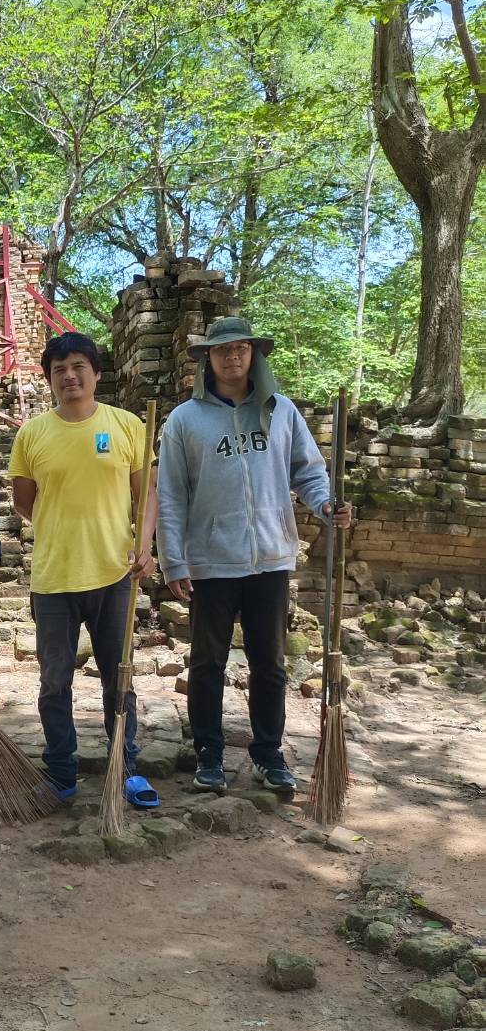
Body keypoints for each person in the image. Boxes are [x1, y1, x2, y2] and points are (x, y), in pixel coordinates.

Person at [154, 316, 353, 793]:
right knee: (207, 663)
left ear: (253, 355)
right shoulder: (185, 420)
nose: (231, 357)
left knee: (270, 664)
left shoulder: (281, 412)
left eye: (240, 348)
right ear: (208, 359)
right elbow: (171, 495)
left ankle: (268, 753)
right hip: (211, 560)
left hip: (270, 557)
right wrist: (174, 561)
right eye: (221, 350)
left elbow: (308, 472)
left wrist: (326, 505)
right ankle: (209, 754)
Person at [8, 332, 158, 806]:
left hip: (116, 574)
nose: (69, 376)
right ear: (49, 378)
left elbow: (146, 493)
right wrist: (68, 527)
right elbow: (25, 503)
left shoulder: (127, 425)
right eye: (58, 369)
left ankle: (126, 767)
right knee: (55, 682)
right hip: (54, 577)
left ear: (95, 373)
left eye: (78, 366)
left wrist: (145, 545)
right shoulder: (32, 433)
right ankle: (60, 774)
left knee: (121, 676)